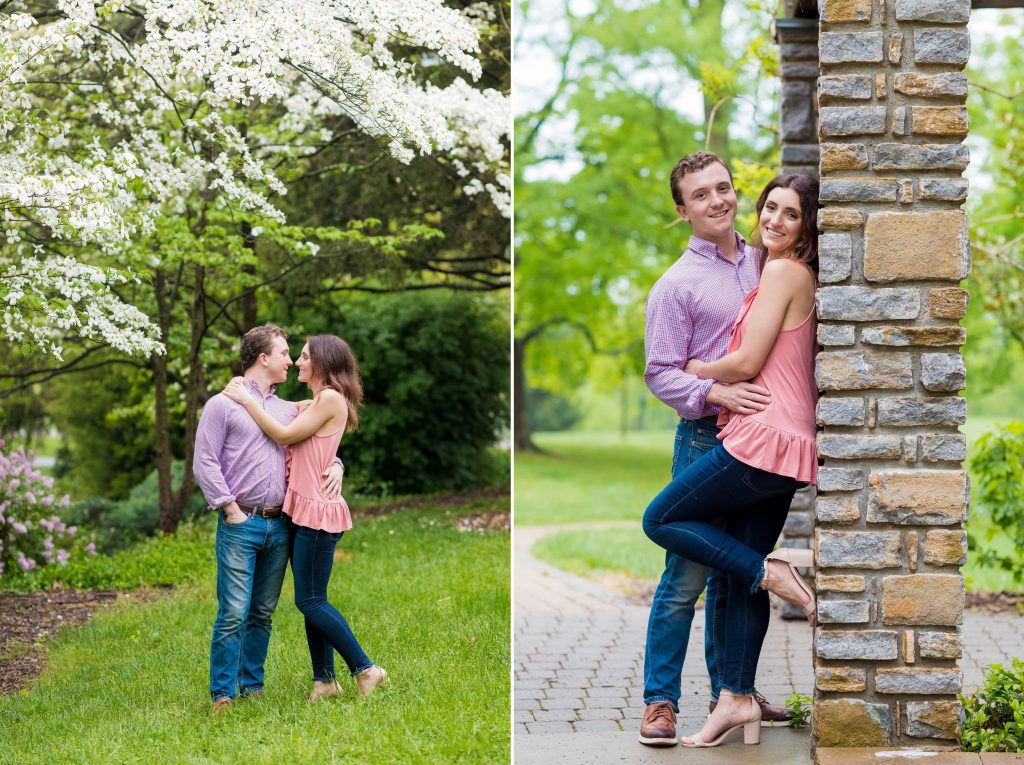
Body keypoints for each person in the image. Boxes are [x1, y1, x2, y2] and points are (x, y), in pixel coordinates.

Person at [642, 172, 821, 748]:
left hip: (762, 435)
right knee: (686, 580)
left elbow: (748, 360)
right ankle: (675, 701)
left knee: (697, 545)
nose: (717, 200)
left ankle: (736, 684)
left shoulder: (767, 262)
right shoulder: (677, 284)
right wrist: (710, 389)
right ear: (682, 209)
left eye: (723, 187)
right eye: (700, 194)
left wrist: (704, 369)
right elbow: (658, 373)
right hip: (711, 432)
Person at [223, 334, 388, 703]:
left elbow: (282, 433)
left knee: (311, 601)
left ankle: (366, 669)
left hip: (317, 513)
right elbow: (290, 419)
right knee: (313, 598)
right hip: (302, 509)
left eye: (304, 356)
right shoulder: (317, 400)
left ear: (324, 363)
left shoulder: (330, 398)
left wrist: (246, 399)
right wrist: (338, 461)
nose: (297, 361)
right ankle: (324, 681)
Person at [194, 324, 344, 715]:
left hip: (281, 524)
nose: (291, 360)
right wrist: (230, 509)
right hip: (240, 521)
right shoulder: (222, 404)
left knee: (262, 612)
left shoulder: (285, 407)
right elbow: (205, 461)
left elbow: (319, 439)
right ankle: (222, 694)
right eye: (284, 353)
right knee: (232, 612)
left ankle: (252, 686)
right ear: (263, 358)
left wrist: (338, 463)